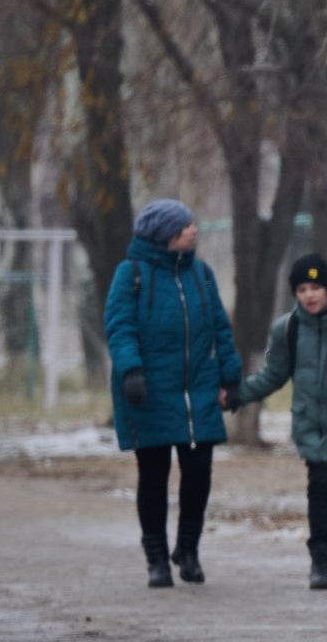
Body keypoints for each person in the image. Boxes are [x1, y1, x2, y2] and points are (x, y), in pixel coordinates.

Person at [229, 253, 327, 590]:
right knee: (319, 490)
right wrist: (238, 395)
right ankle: (320, 562)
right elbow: (272, 376)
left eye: (315, 287)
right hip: (312, 430)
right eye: (302, 288)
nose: (309, 295)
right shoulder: (287, 329)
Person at [103, 199, 242, 589]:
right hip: (150, 390)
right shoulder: (129, 275)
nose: (194, 231)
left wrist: (231, 381)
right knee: (154, 474)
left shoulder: (202, 274)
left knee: (199, 473)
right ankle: (157, 560)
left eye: (192, 225)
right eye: (185, 227)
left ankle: (188, 551)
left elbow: (221, 330)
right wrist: (131, 371)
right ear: (165, 236)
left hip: (199, 388)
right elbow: (119, 325)